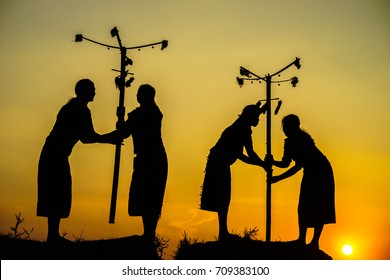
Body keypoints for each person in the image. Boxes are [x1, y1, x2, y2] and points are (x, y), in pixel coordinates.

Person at [37, 79, 118, 244]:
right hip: (54, 155)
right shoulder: (78, 110)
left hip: (55, 154)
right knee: (56, 192)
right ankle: (52, 236)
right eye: (92, 89)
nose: (95, 92)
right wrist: (110, 138)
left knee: (58, 192)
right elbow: (87, 138)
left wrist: (109, 138)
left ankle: (53, 235)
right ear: (84, 91)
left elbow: (87, 136)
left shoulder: (74, 108)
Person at [200, 102, 267, 240]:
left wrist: (261, 165)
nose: (259, 120)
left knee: (223, 198)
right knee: (222, 198)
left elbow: (242, 156)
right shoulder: (243, 129)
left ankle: (223, 232)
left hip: (218, 163)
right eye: (257, 117)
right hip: (219, 164)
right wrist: (263, 164)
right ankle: (223, 233)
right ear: (251, 117)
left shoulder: (240, 124)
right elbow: (250, 153)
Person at [268, 114, 335, 249]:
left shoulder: (304, 140)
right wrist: (272, 161)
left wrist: (277, 179)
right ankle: (301, 239)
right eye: (284, 127)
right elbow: (285, 163)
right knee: (304, 206)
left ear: (295, 126)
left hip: (322, 172)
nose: (285, 129)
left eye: (287, 126)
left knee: (319, 206)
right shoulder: (288, 142)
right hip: (310, 172)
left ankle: (314, 242)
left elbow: (297, 167)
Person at [117, 84, 168, 243]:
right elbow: (124, 131)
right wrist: (121, 120)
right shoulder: (140, 114)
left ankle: (149, 235)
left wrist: (121, 120)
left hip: (153, 159)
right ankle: (148, 234)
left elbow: (124, 132)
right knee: (145, 197)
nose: (137, 96)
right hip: (145, 159)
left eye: (140, 94)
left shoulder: (150, 113)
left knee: (152, 197)